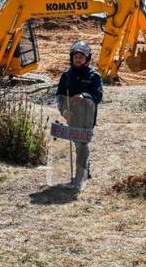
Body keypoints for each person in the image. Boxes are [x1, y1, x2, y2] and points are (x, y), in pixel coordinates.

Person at [56, 41, 103, 184]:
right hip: (72, 116)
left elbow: (98, 95)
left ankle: (80, 173)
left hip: (87, 118)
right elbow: (60, 96)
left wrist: (84, 96)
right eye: (76, 56)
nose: (78, 59)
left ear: (87, 59)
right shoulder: (66, 75)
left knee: (82, 143)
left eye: (81, 57)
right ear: (71, 57)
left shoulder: (94, 76)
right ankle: (84, 167)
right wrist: (63, 111)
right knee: (78, 143)